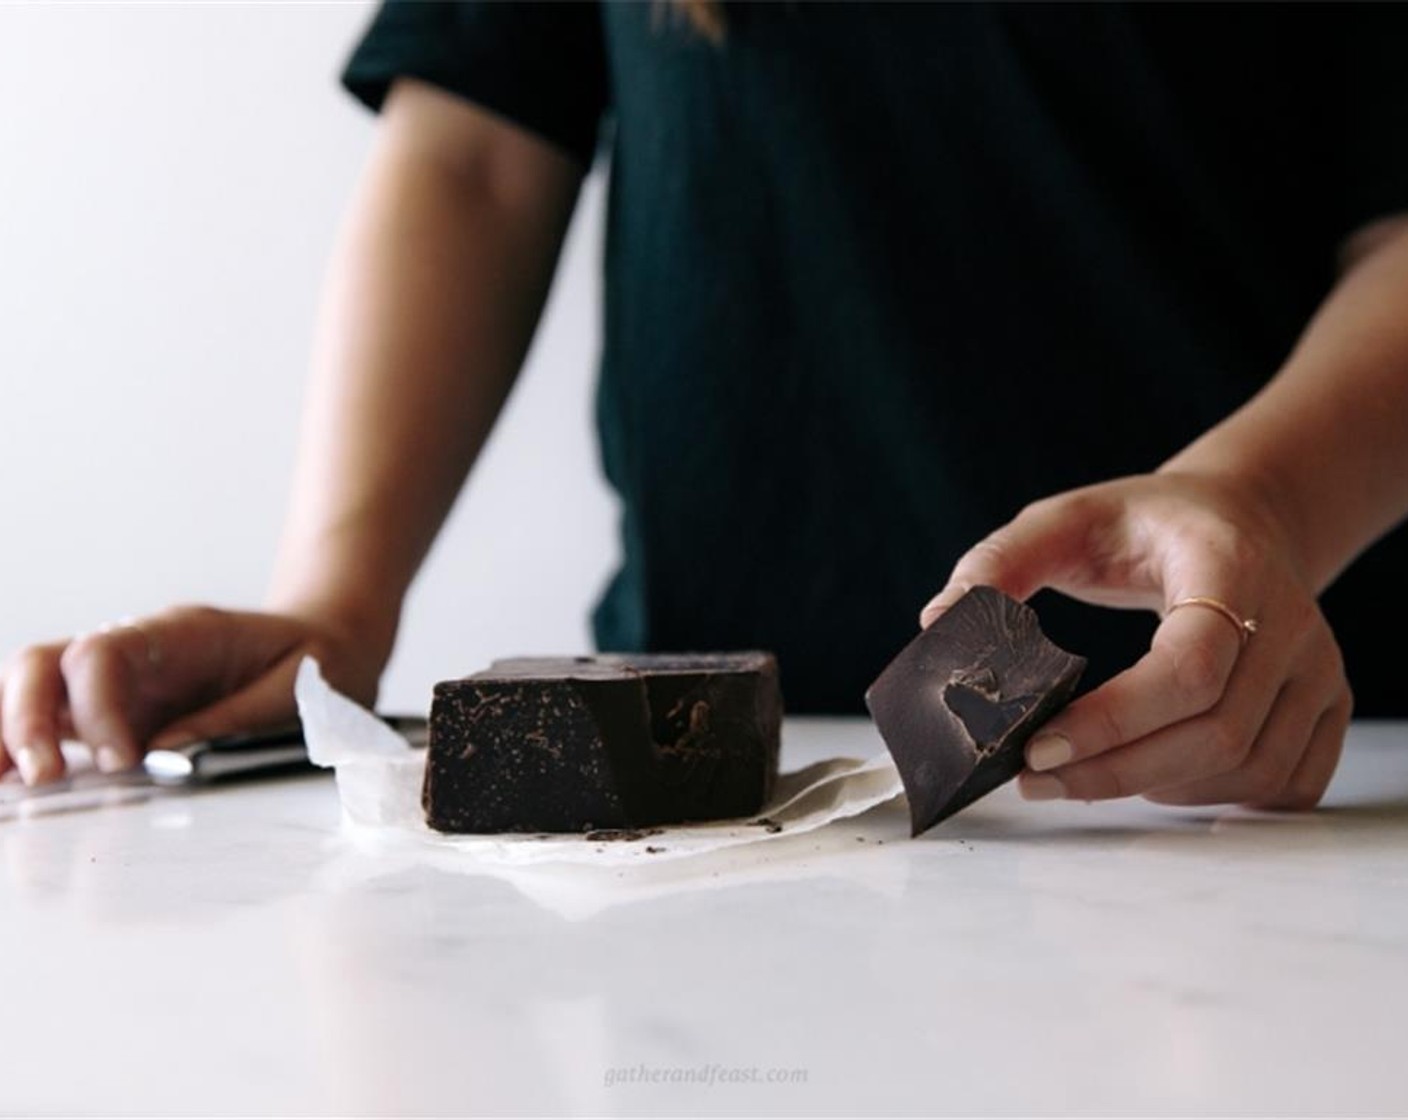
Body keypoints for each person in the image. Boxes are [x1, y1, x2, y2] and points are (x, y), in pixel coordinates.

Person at [3, 1, 1407, 812]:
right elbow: (482, 145)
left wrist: (1267, 501)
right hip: (697, 802)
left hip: (1274, 758)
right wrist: (337, 603)